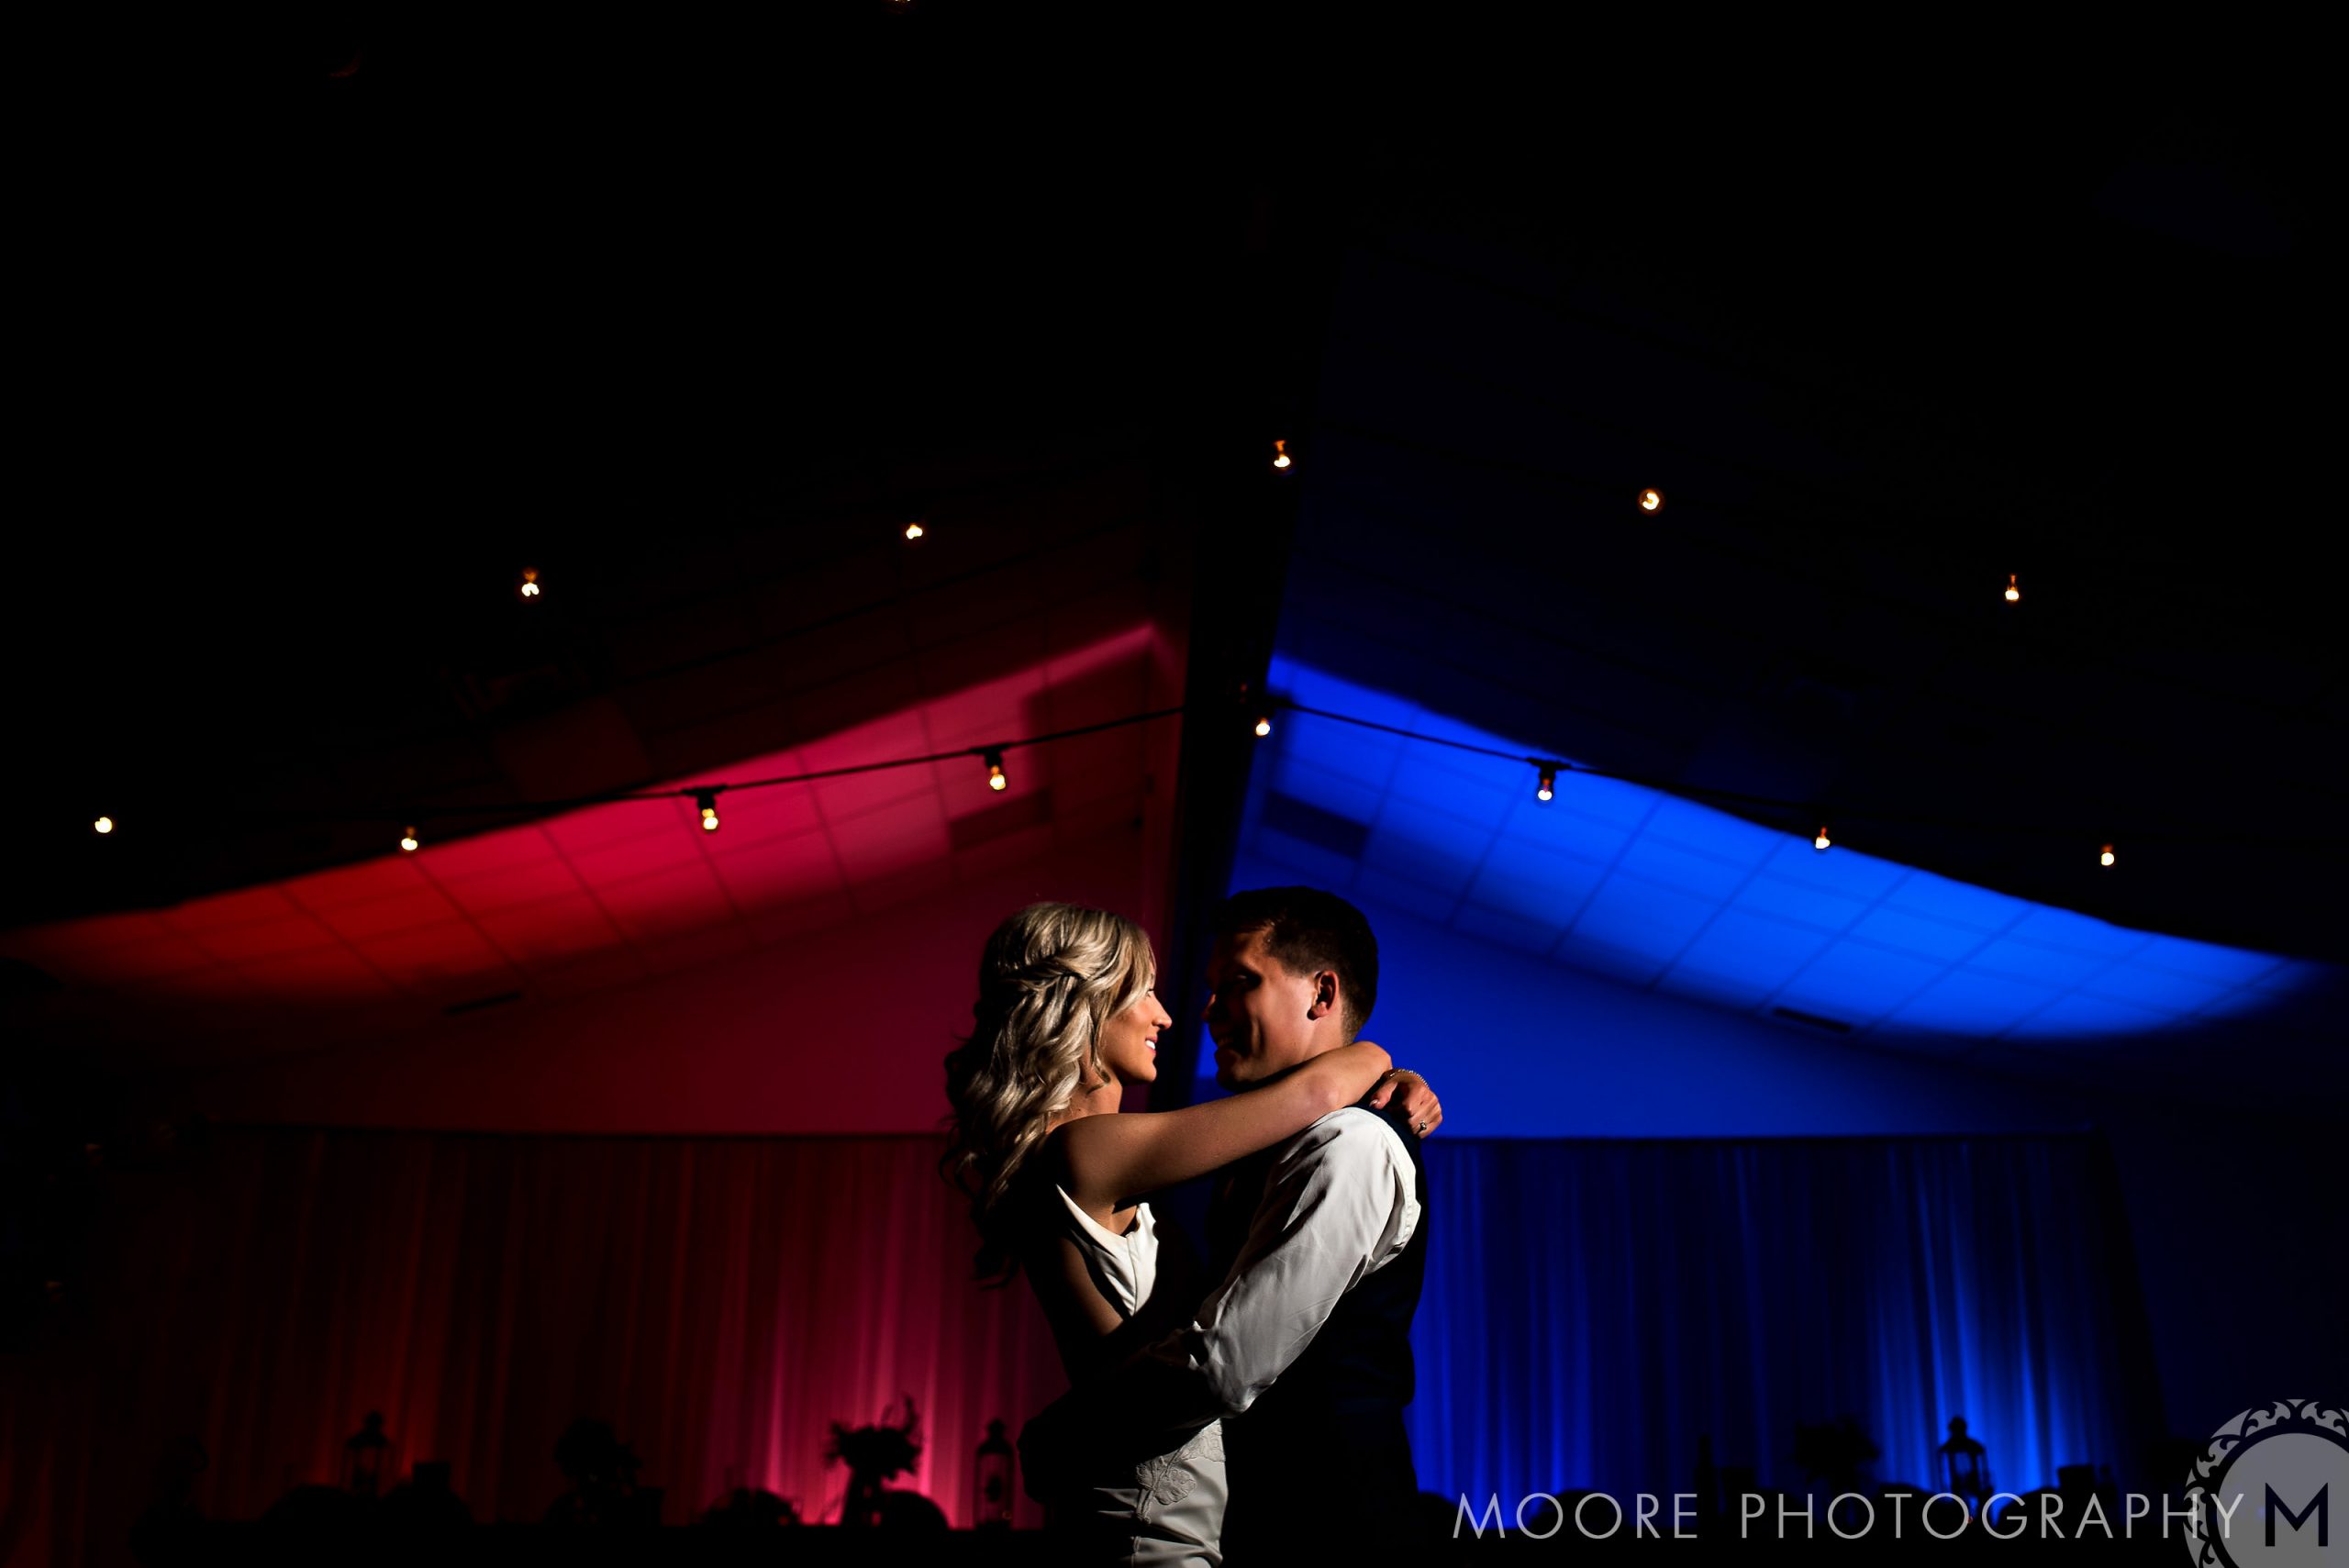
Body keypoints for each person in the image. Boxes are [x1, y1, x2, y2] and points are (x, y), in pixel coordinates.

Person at [942, 902, 1441, 1566]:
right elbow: (1315, 1092)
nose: (1181, 1013)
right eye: (1144, 991)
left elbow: (1222, 1361)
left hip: (1323, 1527)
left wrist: (1377, 1076)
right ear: (1084, 1007)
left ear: (1323, 991)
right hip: (1161, 1528)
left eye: (1238, 982)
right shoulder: (1087, 1152)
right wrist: (1374, 1056)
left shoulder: (1349, 1143)